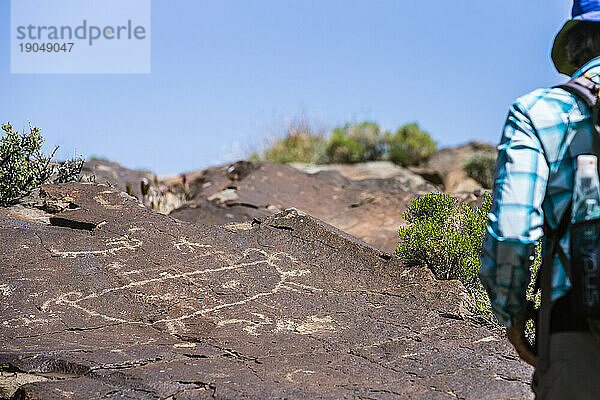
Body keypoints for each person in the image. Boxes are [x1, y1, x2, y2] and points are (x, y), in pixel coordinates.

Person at [479, 1, 600, 398]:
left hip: (577, 324)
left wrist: (512, 313)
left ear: (576, 44)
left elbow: (513, 234)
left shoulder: (539, 112)